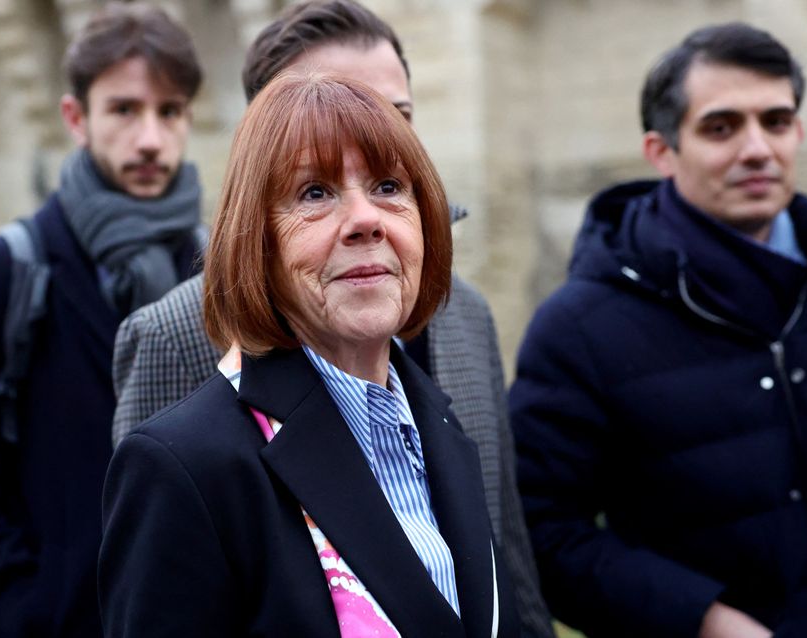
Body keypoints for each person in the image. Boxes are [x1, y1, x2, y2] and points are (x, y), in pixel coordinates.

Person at [109, 1, 552, 635]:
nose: (365, 218)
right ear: (255, 238)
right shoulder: (178, 464)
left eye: (389, 186)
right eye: (314, 192)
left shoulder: (437, 426)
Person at [510, 22, 807, 638]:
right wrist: (702, 619)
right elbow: (537, 529)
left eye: (775, 121)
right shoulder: (579, 329)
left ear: (799, 132)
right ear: (661, 151)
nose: (757, 149)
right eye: (721, 127)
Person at [0, 4, 204, 636]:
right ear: (76, 118)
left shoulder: (225, 276)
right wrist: (34, 611)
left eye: (169, 111)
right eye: (124, 110)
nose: (150, 137)